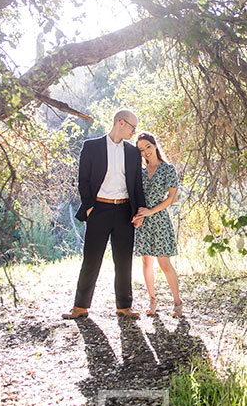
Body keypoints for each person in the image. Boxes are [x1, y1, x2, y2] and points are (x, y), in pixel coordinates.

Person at [62, 108, 146, 320]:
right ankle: (80, 307)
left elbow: (137, 185)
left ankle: (124, 307)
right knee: (91, 259)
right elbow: (83, 181)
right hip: (99, 209)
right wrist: (90, 208)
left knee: (124, 260)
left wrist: (139, 212)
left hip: (125, 210)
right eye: (132, 127)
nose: (133, 132)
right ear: (120, 122)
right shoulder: (91, 147)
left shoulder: (133, 152)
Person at [133, 132, 183, 317]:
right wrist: (138, 216)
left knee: (164, 264)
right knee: (146, 262)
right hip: (144, 221)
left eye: (148, 146)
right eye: (141, 150)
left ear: (154, 145)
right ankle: (152, 300)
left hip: (160, 219)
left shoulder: (168, 169)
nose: (146, 152)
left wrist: (151, 211)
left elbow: (172, 198)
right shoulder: (140, 173)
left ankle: (177, 302)